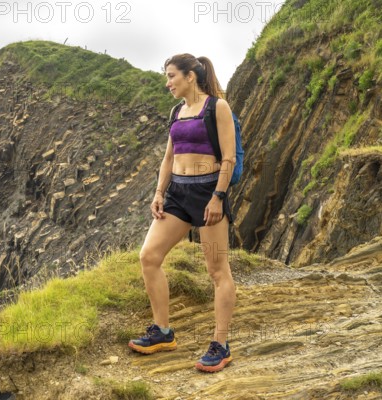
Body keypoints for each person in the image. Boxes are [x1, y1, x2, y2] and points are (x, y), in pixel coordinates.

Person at [128, 54, 237, 373]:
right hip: (177, 195)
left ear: (191, 76)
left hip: (207, 196)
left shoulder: (217, 107)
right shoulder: (177, 111)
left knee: (217, 271)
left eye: (172, 75)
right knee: (149, 256)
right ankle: (162, 332)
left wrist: (218, 197)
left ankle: (221, 344)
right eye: (167, 76)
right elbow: (168, 158)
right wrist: (159, 193)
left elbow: (228, 158)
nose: (168, 82)